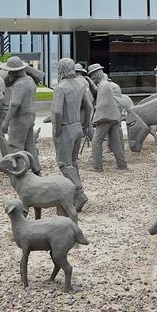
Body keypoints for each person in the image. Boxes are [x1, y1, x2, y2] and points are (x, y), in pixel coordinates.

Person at [52, 58, 91, 211]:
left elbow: (57, 112)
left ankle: (79, 193)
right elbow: (88, 106)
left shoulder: (60, 88)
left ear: (61, 69)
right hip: (77, 127)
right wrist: (87, 124)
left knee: (64, 164)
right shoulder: (81, 85)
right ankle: (74, 195)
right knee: (73, 163)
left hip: (65, 128)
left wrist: (56, 131)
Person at [1, 57, 40, 170]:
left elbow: (15, 104)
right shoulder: (30, 80)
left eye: (9, 71)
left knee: (15, 146)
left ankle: (18, 171)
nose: (8, 74)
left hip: (20, 118)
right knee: (30, 145)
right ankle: (36, 169)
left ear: (15, 72)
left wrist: (6, 122)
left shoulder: (19, 84)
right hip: (30, 116)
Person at [88, 64, 127, 171]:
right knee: (115, 143)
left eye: (92, 75)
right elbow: (97, 92)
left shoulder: (103, 85)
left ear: (96, 74)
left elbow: (103, 104)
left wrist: (96, 118)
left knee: (96, 142)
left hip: (105, 117)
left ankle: (97, 167)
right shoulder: (106, 83)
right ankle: (122, 165)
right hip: (113, 116)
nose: (92, 78)